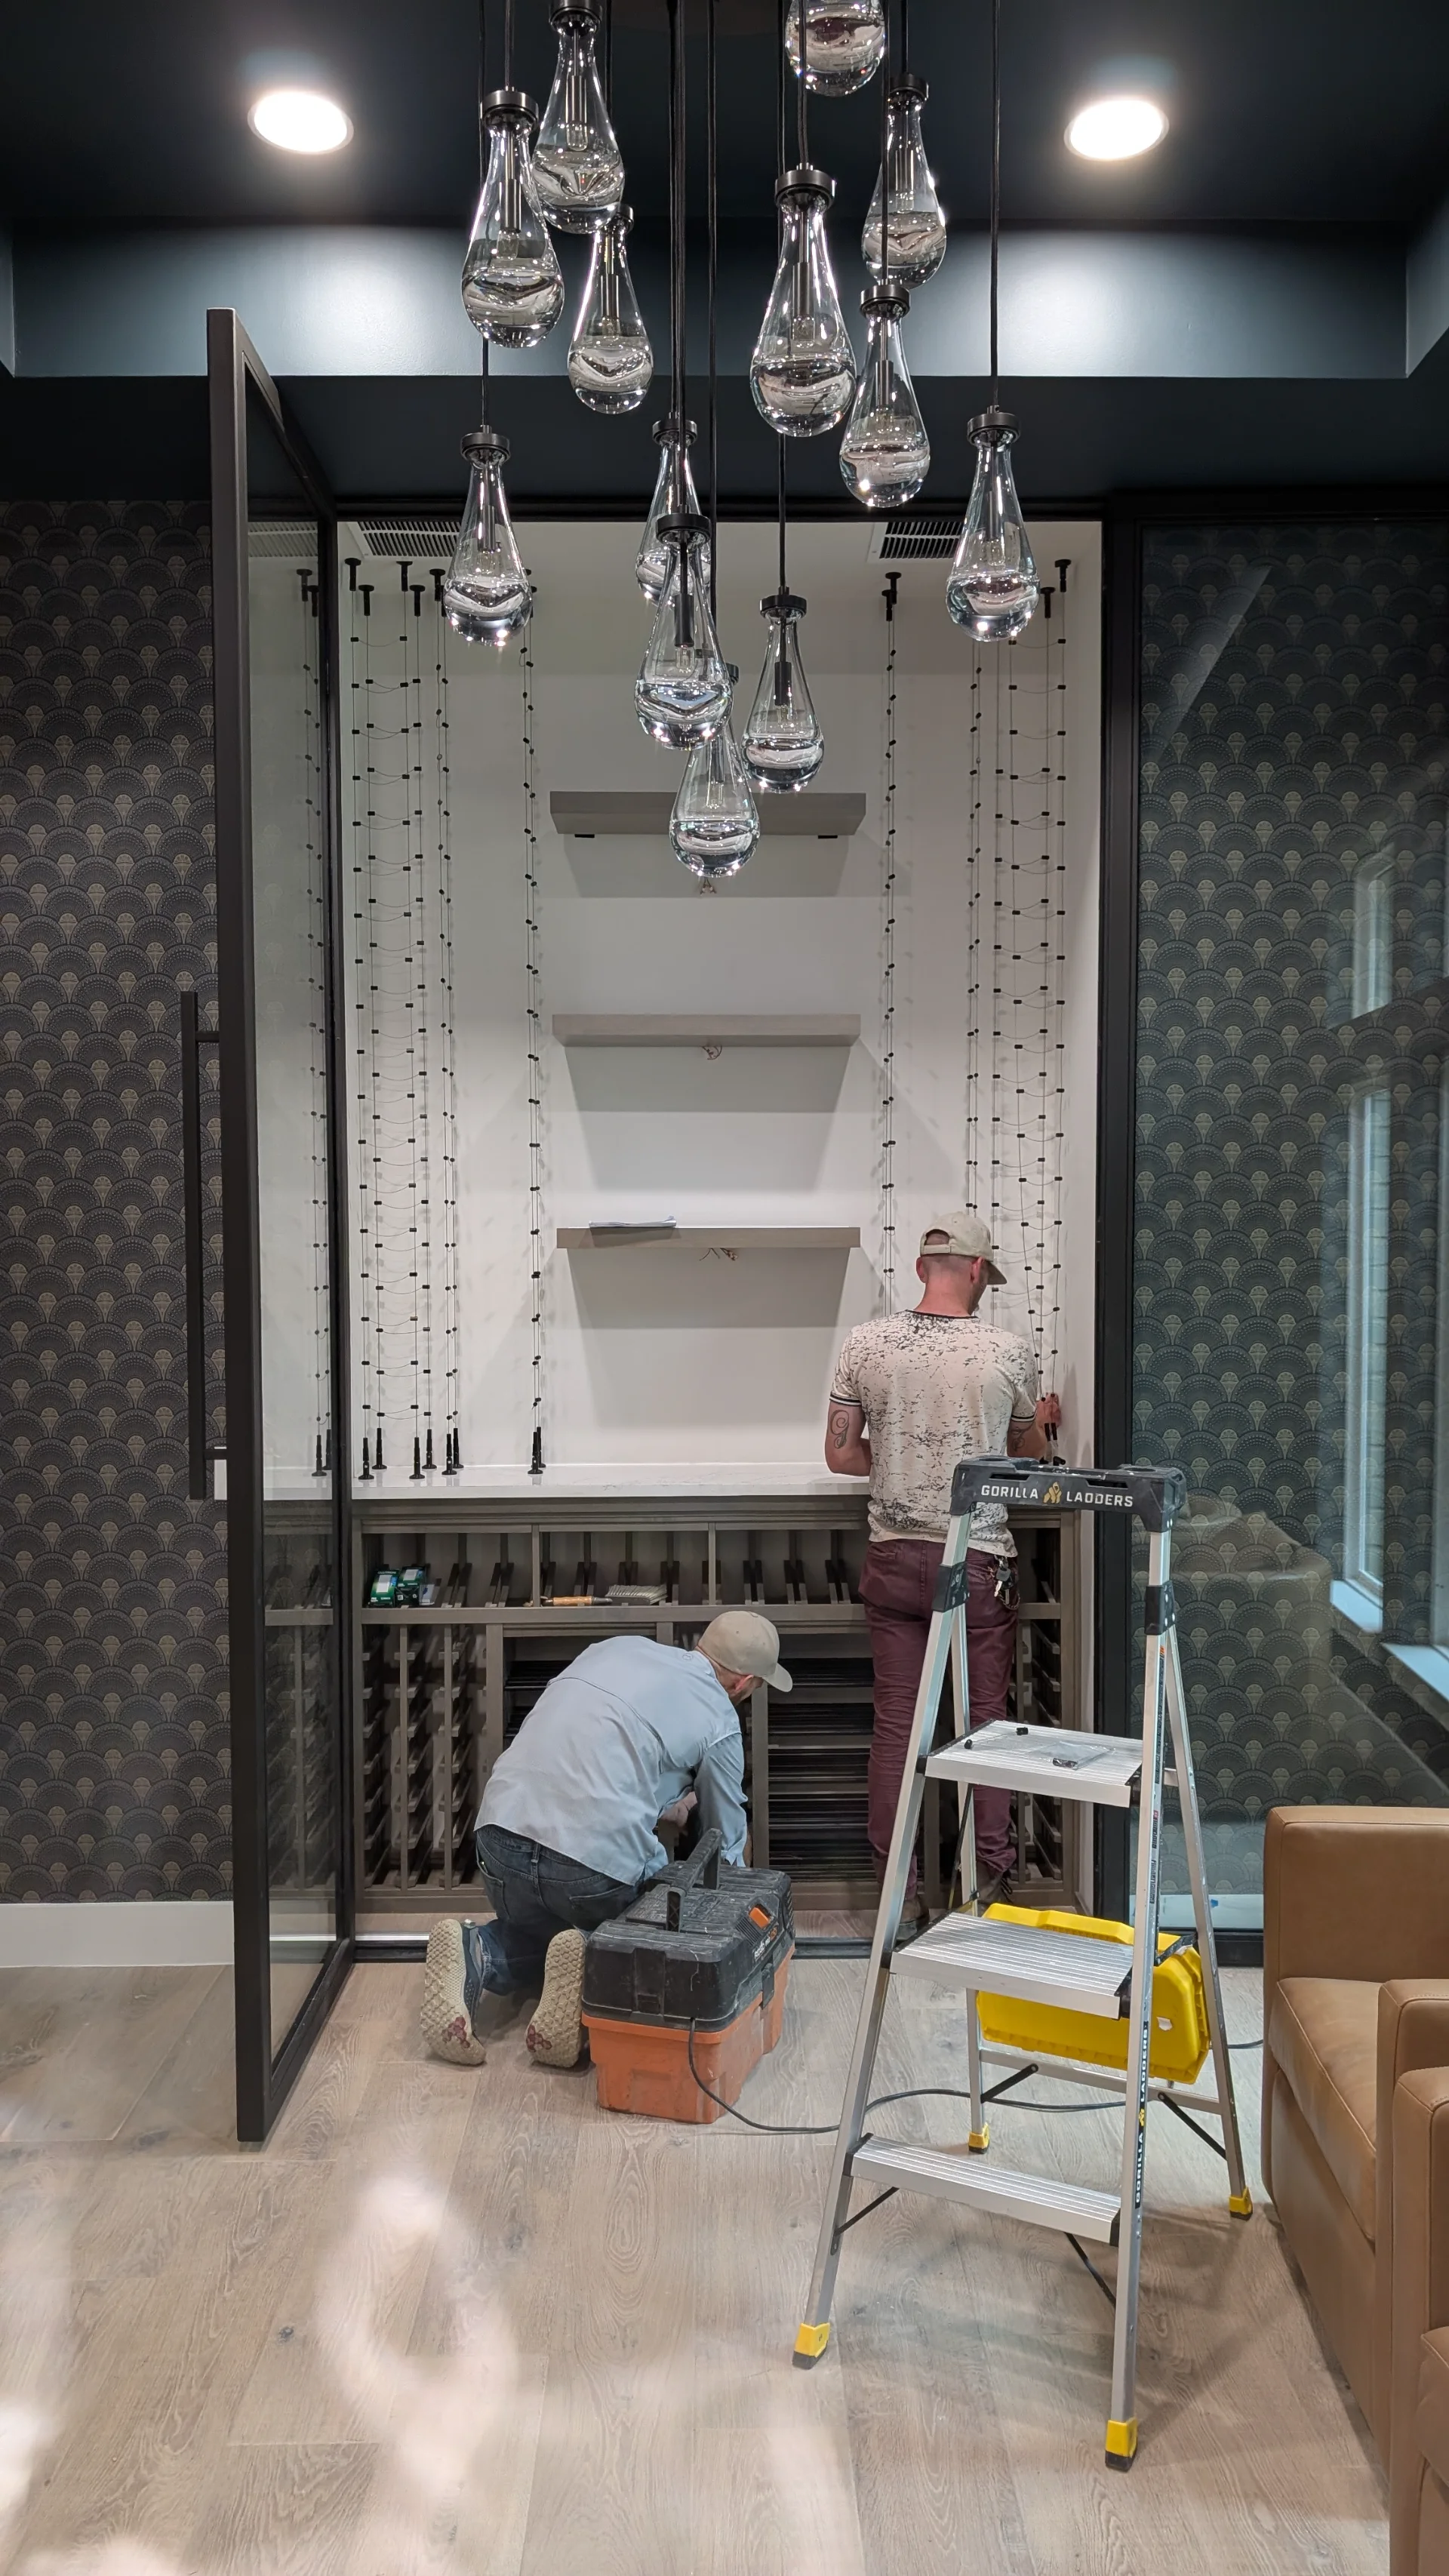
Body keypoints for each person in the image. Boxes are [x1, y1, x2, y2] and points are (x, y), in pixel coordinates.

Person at [420, 1608, 791, 2070]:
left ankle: (478, 1951)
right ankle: (592, 1959)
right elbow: (725, 1844)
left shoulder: (617, 1648)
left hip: (499, 1843)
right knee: (647, 1929)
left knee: (545, 1929)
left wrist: (659, 1803)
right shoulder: (720, 1719)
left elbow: (589, 1752)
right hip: (587, 1874)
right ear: (743, 1684)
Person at [824, 1212, 1060, 1911]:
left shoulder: (865, 1344)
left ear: (923, 1268)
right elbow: (1027, 1458)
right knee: (984, 1721)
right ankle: (988, 1881)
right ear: (979, 1271)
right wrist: (1044, 1424)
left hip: (893, 1558)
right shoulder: (1006, 1351)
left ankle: (897, 1888)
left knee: (898, 1724)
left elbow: (840, 1454)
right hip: (980, 1560)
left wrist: (900, 1458)